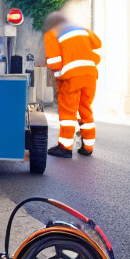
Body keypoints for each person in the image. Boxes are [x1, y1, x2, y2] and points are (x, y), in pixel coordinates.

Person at [42, 11, 102, 158]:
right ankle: (88, 147)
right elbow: (97, 43)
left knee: (68, 113)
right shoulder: (82, 30)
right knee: (86, 110)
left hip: (71, 78)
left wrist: (54, 70)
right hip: (90, 75)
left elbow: (55, 63)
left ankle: (65, 147)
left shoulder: (52, 33)